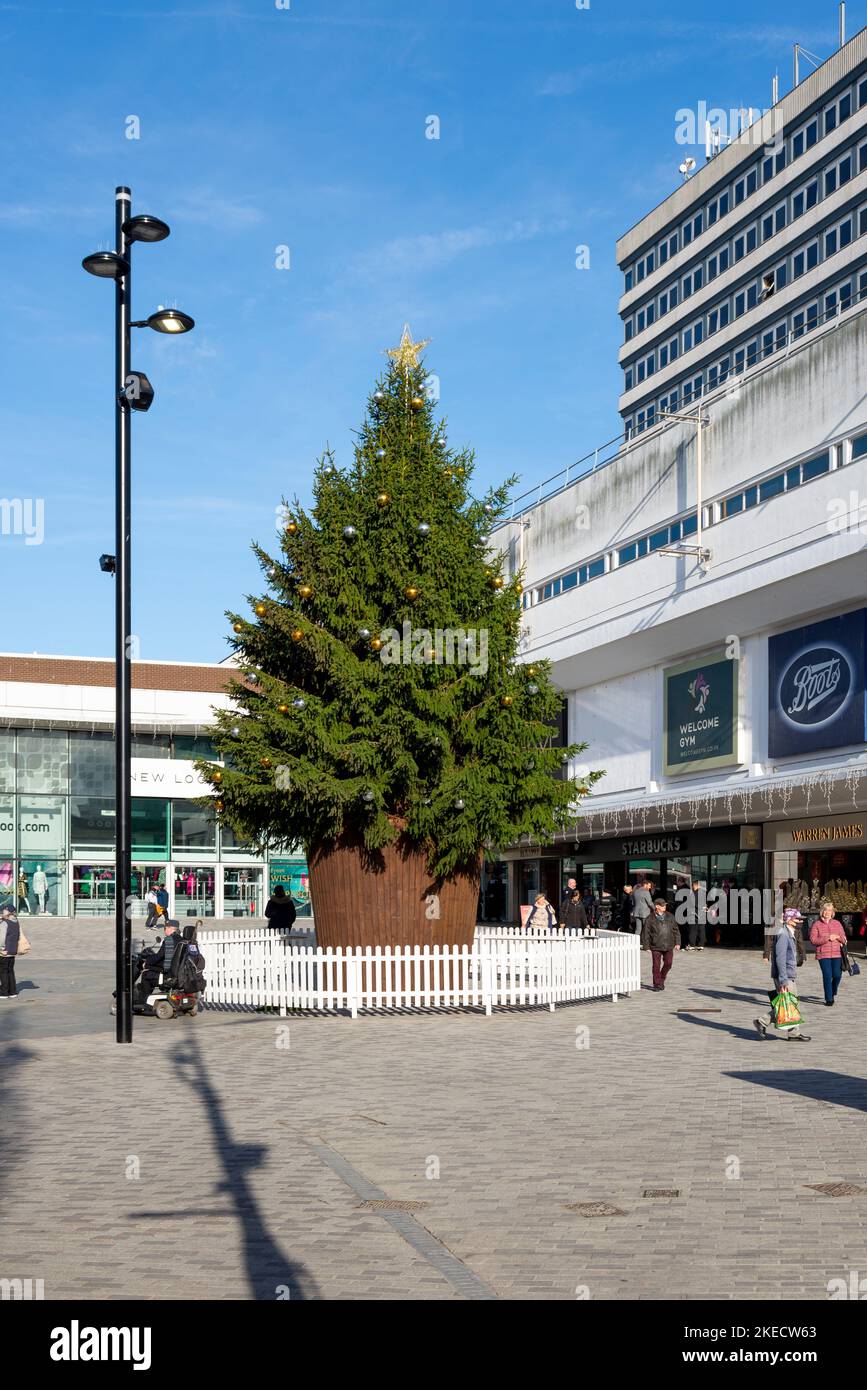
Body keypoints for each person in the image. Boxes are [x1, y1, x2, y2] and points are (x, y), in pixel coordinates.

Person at [755, 908, 811, 1041]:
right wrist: (783, 980)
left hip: (788, 974)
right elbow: (780, 959)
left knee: (791, 1003)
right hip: (784, 976)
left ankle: (793, 1033)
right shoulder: (783, 934)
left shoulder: (789, 933)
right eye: (798, 919)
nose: (800, 922)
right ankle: (762, 1022)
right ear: (790, 920)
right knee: (787, 1003)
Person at [809, 900, 847, 1007]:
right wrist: (827, 938)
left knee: (837, 975)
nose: (827, 912)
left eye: (829, 910)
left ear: (832, 912)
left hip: (837, 954)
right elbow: (813, 940)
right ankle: (829, 998)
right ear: (822, 911)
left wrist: (839, 938)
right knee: (827, 975)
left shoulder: (837, 923)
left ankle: (833, 990)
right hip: (823, 955)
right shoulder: (816, 924)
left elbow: (844, 938)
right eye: (825, 910)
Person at [641, 895, 680, 991]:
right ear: (657, 906)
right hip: (655, 945)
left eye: (665, 905)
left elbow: (676, 930)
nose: (664, 907)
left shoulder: (670, 916)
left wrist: (678, 942)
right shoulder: (650, 918)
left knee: (668, 964)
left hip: (669, 944)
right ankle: (657, 984)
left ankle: (662, 979)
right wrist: (646, 946)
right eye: (662, 905)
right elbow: (645, 933)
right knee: (656, 966)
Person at [0, 905, 20, 999]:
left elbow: (2, 938)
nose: (2, 911)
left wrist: (1, 949)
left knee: (3, 972)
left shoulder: (5, 923)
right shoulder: (16, 922)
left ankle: (4, 992)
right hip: (13, 950)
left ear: (8, 912)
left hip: (4, 951)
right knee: (10, 971)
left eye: (4, 910)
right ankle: (13, 992)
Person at [683, 880, 707, 951]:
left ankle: (692, 945)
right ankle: (701, 945)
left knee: (693, 930)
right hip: (702, 913)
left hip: (694, 913)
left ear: (695, 885)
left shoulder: (693, 893)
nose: (692, 887)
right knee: (701, 930)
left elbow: (692, 904)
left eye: (692, 885)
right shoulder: (704, 893)